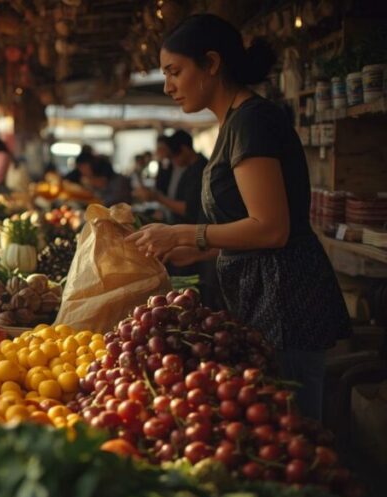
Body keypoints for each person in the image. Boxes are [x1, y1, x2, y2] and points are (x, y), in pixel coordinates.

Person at [127, 13, 350, 420]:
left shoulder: (252, 121)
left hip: (285, 301)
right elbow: (250, 227)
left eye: (174, 71)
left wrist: (183, 234)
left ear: (211, 63)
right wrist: (200, 252)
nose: (168, 86)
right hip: (263, 295)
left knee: (291, 427)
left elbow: (272, 229)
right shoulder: (234, 123)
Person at [135, 129, 207, 225]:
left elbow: (188, 210)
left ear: (185, 149)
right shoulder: (189, 168)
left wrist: (158, 197)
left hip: (191, 227)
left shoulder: (201, 169)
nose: (173, 161)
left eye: (173, 156)